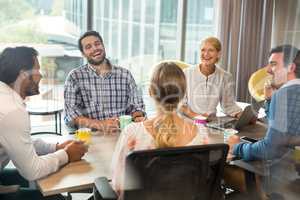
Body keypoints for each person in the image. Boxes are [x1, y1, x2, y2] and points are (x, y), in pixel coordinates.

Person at [0, 46, 88, 200]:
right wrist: (67, 154)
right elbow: (32, 170)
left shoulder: (5, 96)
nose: (41, 76)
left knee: (44, 180)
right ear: (23, 75)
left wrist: (55, 147)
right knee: (55, 197)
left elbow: (18, 141)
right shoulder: (11, 109)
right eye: (37, 70)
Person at [111, 62, 204, 197]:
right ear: (183, 94)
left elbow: (118, 185)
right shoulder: (200, 133)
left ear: (150, 92)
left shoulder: (132, 133)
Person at [228, 45, 300, 161]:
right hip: (292, 160)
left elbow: (269, 150)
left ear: (291, 68)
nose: (268, 70)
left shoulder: (283, 95)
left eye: (273, 64)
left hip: (288, 170)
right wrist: (270, 100)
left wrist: (237, 147)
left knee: (222, 166)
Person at [64, 31, 145, 133]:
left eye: (97, 44)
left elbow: (136, 106)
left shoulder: (125, 74)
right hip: (91, 137)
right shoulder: (74, 77)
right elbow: (71, 115)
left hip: (122, 134)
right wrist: (100, 124)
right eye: (88, 47)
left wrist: (137, 117)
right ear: (83, 54)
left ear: (103, 45)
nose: (95, 48)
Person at [180, 37, 242, 119]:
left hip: (211, 122)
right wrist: (198, 117)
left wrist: (242, 115)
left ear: (218, 54)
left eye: (211, 50)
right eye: (203, 50)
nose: (206, 54)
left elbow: (228, 105)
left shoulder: (225, 77)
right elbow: (180, 104)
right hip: (188, 120)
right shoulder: (186, 73)